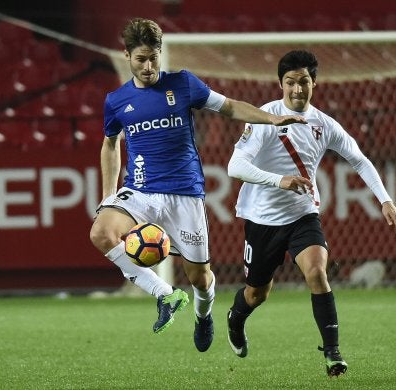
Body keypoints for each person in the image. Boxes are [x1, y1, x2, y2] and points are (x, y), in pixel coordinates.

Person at [89, 18, 308, 353]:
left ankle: (203, 315)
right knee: (101, 232)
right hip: (140, 190)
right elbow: (109, 145)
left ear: (160, 54)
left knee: (200, 280)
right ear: (126, 57)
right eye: (140, 59)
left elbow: (230, 107)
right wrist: (107, 198)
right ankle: (165, 295)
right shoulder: (116, 101)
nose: (148, 66)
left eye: (153, 58)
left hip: (184, 194)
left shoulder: (184, 84)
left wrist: (271, 118)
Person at [225, 50, 396, 376]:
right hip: (261, 218)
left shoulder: (324, 124)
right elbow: (234, 166)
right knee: (257, 294)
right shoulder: (264, 118)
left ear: (314, 83)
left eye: (304, 82)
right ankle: (236, 318)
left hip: (302, 214)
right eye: (291, 82)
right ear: (281, 84)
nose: (297, 89)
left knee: (317, 272)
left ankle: (333, 353)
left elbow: (359, 159)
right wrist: (279, 180)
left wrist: (385, 200)